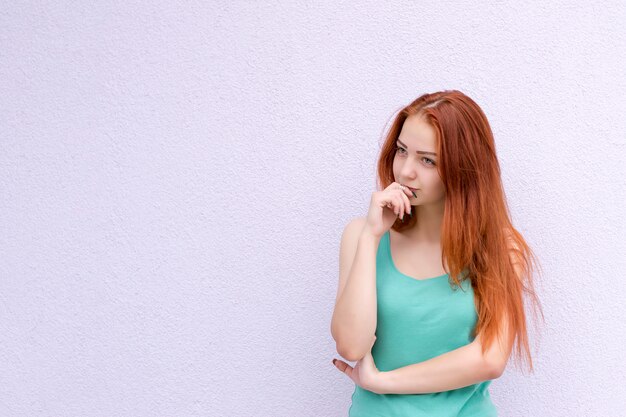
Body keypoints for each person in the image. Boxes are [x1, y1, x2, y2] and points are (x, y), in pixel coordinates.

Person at [330, 90, 544, 416]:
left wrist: (383, 381)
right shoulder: (362, 234)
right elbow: (351, 345)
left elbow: (490, 359)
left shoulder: (501, 249)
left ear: (463, 168)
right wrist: (373, 235)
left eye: (427, 160)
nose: (405, 172)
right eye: (401, 152)